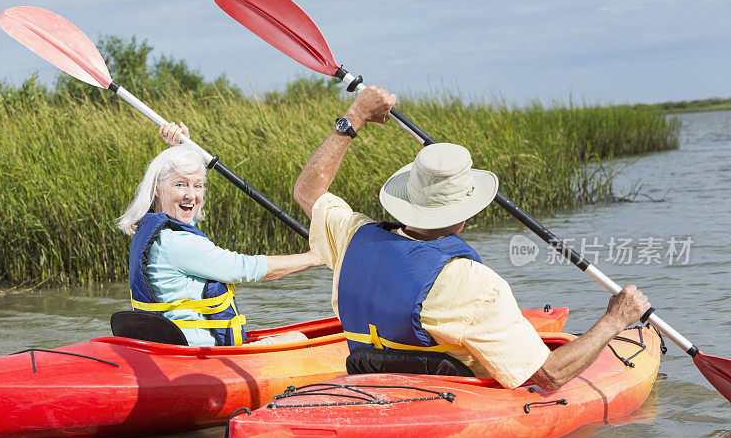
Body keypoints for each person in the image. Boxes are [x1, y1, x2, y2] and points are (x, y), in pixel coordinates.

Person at [293, 86, 650, 391]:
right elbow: (549, 375)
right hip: (447, 402)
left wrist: (355, 115)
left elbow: (307, 191)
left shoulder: (353, 236)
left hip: (371, 383)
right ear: (464, 214)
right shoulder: (473, 284)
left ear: (408, 199)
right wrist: (615, 321)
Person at [117, 122, 324, 347]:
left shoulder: (156, 232)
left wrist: (184, 147)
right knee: (299, 339)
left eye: (198, 186)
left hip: (176, 349)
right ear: (156, 188)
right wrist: (315, 258)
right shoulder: (176, 244)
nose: (191, 195)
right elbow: (246, 269)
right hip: (200, 356)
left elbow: (186, 217)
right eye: (180, 184)